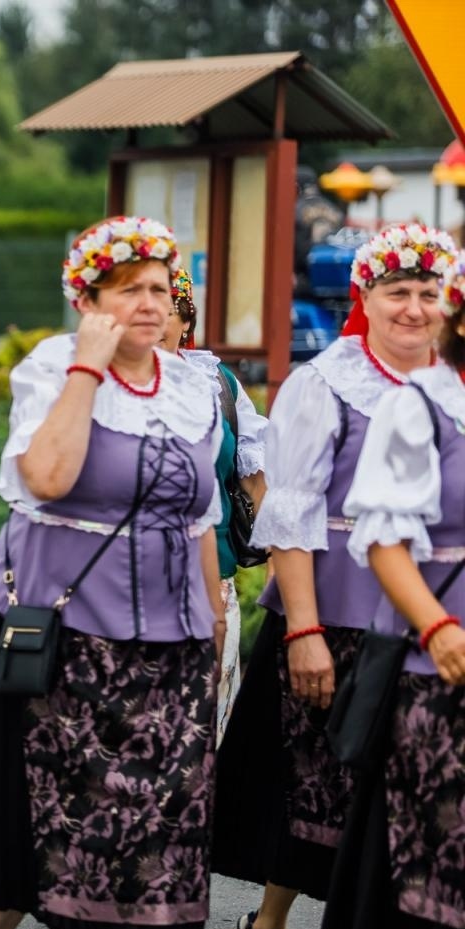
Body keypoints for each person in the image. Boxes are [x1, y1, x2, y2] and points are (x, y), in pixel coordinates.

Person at [0, 217, 235, 929]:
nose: (150, 304)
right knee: (30, 824)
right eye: (129, 290)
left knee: (172, 821)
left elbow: (201, 516)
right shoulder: (54, 369)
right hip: (59, 630)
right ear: (88, 300)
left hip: (171, 641)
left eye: (160, 289)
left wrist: (213, 625)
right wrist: (89, 367)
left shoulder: (194, 386)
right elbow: (47, 477)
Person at [211, 224, 457, 929]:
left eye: (428, 293)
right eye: (397, 292)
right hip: (339, 610)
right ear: (365, 299)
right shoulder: (327, 383)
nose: (413, 308)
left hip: (433, 617)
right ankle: (270, 927)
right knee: (317, 795)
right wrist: (304, 630)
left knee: (423, 801)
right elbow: (290, 511)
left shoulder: (453, 384)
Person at [314, 248, 465, 929]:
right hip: (434, 660)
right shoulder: (422, 406)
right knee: (404, 845)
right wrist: (436, 627)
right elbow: (384, 539)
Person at [161, 268, 266, 737]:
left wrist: (281, 574)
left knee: (207, 721)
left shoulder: (217, 383)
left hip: (212, 578)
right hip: (124, 580)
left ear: (187, 321)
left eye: (170, 309)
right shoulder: (101, 383)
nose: (157, 319)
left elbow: (254, 482)